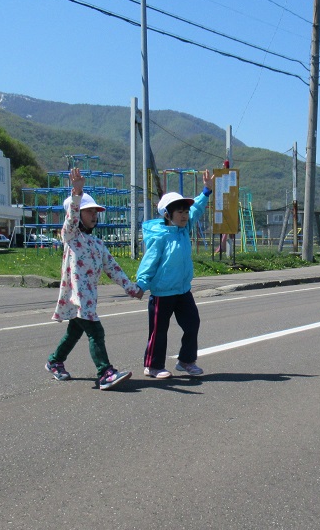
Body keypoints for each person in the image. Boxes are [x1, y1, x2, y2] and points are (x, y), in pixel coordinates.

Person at [46, 167, 143, 390]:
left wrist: (131, 288)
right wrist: (77, 194)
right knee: (96, 332)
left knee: (74, 332)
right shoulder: (70, 236)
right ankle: (105, 372)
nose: (94, 215)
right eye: (88, 211)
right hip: (77, 297)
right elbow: (70, 219)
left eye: (95, 212)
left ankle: (54, 361)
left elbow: (113, 269)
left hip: (89, 298)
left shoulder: (98, 244)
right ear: (78, 213)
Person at [136, 170, 216, 379]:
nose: (184, 214)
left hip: (182, 290)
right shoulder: (160, 236)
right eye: (179, 211)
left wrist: (206, 191)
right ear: (167, 214)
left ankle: (186, 361)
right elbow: (149, 261)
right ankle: (153, 366)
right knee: (159, 331)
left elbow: (196, 209)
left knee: (192, 323)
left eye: (185, 211)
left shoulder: (183, 229)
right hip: (162, 292)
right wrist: (141, 284)